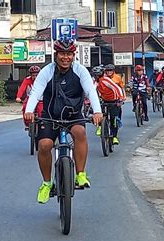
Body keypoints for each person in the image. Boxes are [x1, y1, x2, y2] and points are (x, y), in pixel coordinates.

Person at [24, 39, 103, 204]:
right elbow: (37, 91)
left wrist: (97, 111)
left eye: (69, 54)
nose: (65, 57)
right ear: (56, 55)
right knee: (44, 145)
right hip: (51, 115)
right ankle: (47, 183)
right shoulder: (47, 71)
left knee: (80, 132)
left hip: (73, 115)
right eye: (62, 54)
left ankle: (80, 174)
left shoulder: (80, 71)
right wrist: (29, 110)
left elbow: (90, 90)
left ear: (73, 55)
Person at [92, 66, 124, 145]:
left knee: (114, 120)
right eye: (95, 75)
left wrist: (120, 98)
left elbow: (117, 88)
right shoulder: (95, 81)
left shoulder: (105, 80)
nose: (96, 77)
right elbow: (92, 91)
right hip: (104, 100)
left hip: (114, 100)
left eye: (97, 75)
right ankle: (101, 126)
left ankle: (114, 137)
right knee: (99, 113)